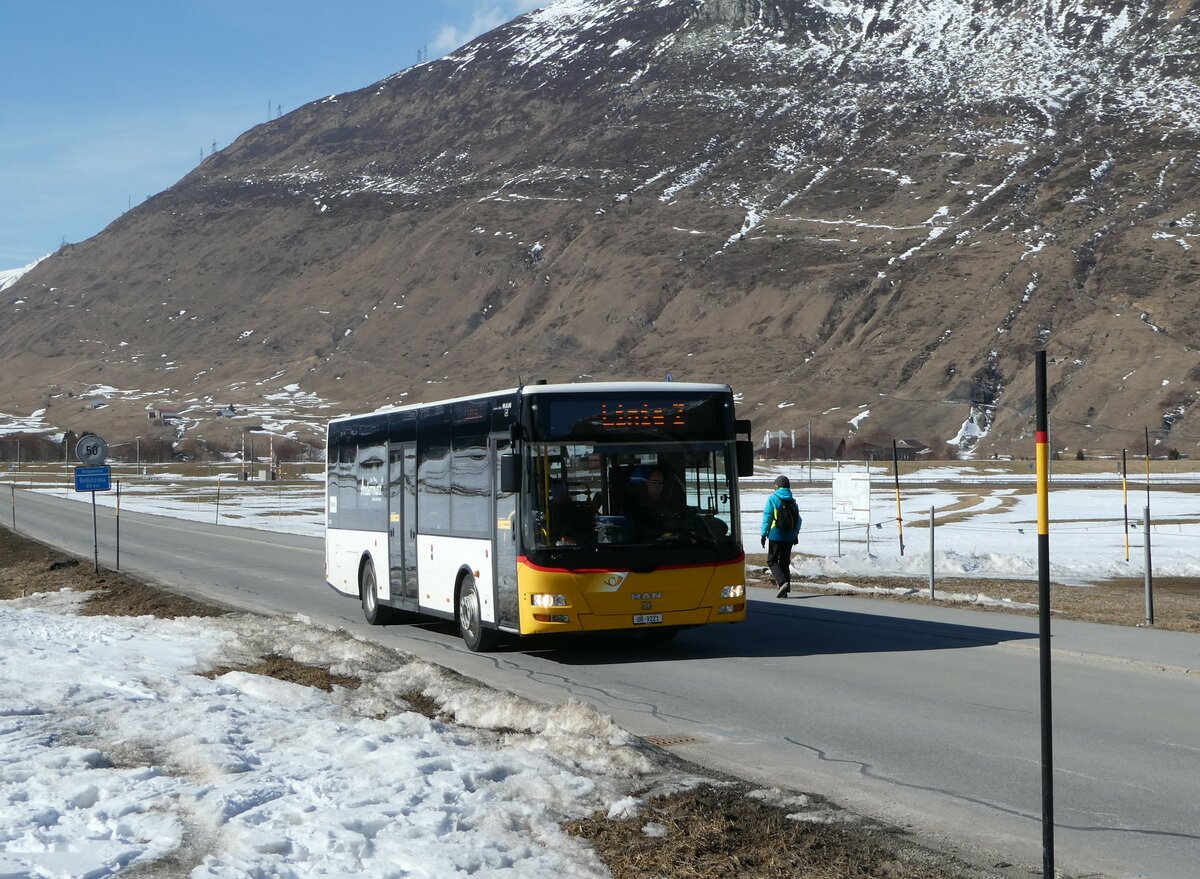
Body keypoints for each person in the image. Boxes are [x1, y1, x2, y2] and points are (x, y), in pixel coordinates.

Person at [760, 475, 801, 598]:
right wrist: (795, 533)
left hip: (776, 534)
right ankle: (785, 591)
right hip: (790, 536)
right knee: (784, 562)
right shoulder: (792, 501)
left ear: (777, 486)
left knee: (772, 561)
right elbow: (798, 520)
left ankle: (782, 583)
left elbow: (767, 518)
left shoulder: (773, 499)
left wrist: (763, 534)